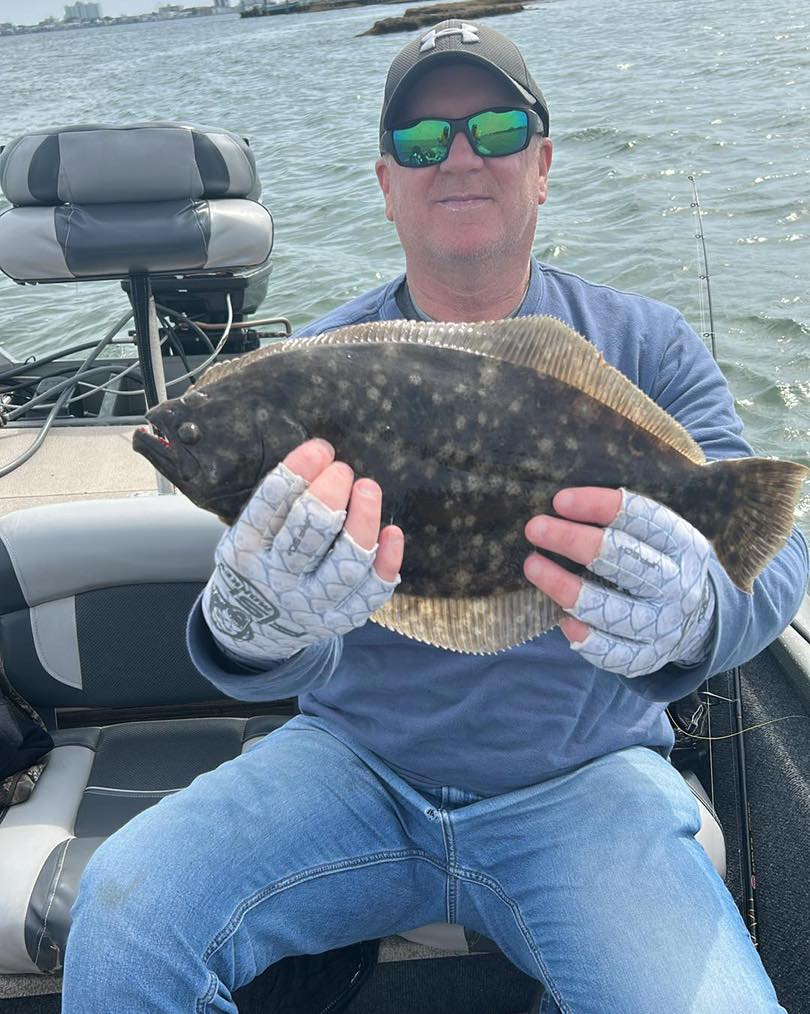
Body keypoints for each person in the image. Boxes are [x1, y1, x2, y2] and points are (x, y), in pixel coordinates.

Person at [63, 19, 808, 1013]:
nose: (458, 157)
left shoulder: (647, 347)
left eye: (495, 130)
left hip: (587, 783)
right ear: (386, 184)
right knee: (123, 921)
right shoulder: (319, 360)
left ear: (542, 165)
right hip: (351, 766)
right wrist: (251, 624)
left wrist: (703, 613)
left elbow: (774, 539)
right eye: (421, 142)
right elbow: (285, 629)